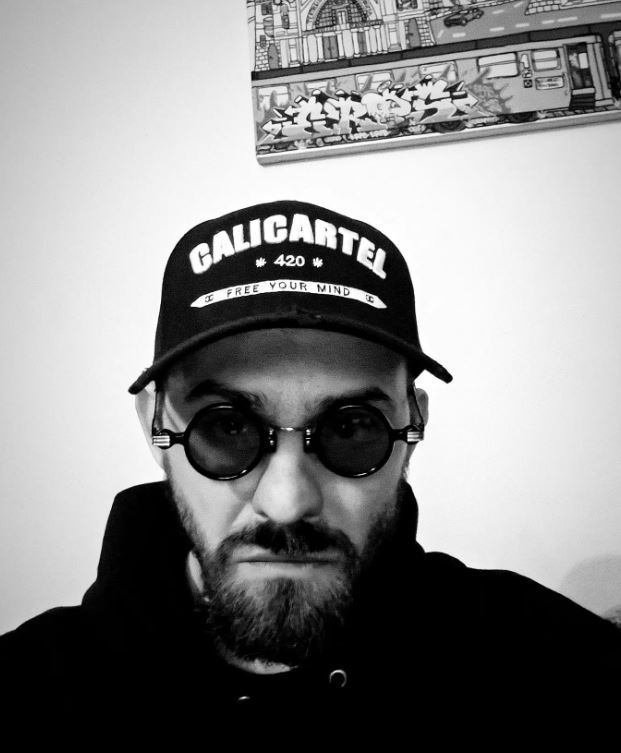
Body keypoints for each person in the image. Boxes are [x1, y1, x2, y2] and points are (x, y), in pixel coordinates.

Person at [2, 200, 619, 741]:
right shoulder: (30, 691)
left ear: (413, 426)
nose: (287, 501)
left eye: (350, 429)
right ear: (154, 424)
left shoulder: (545, 665)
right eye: (228, 428)